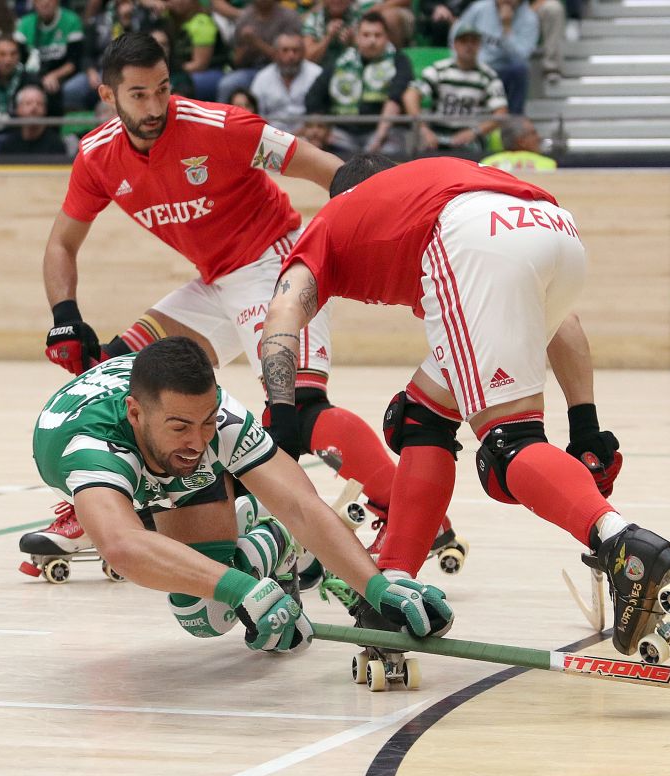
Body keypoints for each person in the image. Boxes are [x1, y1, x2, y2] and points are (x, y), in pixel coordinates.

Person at [39, 32, 447, 580]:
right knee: (114, 371)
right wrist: (65, 317)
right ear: (107, 95)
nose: (156, 106)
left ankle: (411, 515)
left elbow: (336, 172)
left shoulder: (220, 126)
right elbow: (61, 244)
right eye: (139, 95)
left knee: (300, 409)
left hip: (274, 267)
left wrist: (378, 240)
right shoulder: (96, 157)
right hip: (214, 285)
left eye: (163, 89)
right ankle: (104, 503)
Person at [259, 155, 670, 665]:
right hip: (555, 230)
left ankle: (622, 543)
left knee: (508, 445)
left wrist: (281, 418)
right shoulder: (439, 182)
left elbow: (281, 316)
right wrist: (585, 423)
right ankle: (393, 583)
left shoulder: (334, 220)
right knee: (421, 416)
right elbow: (558, 320)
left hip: (471, 244)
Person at [31, 336, 453, 652]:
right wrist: (243, 590)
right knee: (211, 608)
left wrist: (377, 588)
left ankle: (279, 538)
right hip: (121, 460)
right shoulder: (90, 448)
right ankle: (265, 530)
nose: (197, 442)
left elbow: (301, 505)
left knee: (204, 616)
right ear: (135, 413)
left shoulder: (216, 423)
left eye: (207, 422)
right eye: (181, 426)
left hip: (169, 467)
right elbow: (122, 546)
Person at [302, 11, 413, 156]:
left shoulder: (399, 60)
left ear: (387, 38)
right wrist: (322, 131)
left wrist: (379, 138)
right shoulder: (342, 61)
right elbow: (313, 97)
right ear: (357, 38)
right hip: (342, 133)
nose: (372, 40)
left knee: (389, 151)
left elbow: (396, 97)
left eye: (378, 35)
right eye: (366, 35)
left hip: (384, 133)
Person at [406, 24, 506, 155]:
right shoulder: (440, 70)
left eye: (473, 42)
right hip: (437, 137)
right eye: (464, 41)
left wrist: (474, 132)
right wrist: (423, 129)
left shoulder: (488, 76)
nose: (469, 46)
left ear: (479, 45)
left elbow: (501, 114)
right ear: (455, 44)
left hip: (472, 139)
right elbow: (410, 95)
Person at [249, 31, 321, 133]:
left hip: (309, 136)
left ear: (303, 52)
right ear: (276, 53)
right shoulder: (262, 78)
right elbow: (256, 114)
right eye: (285, 50)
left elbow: (322, 113)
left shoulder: (316, 74)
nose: (291, 55)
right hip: (271, 138)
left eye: (295, 50)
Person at [0, 83, 66, 153]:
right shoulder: (8, 145)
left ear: (45, 109)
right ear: (18, 109)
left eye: (39, 104)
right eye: (28, 103)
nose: (34, 108)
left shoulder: (56, 144)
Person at [479, 114, 556, 170]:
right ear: (521, 141)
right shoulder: (547, 165)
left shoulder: (486, 164)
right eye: (533, 133)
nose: (538, 137)